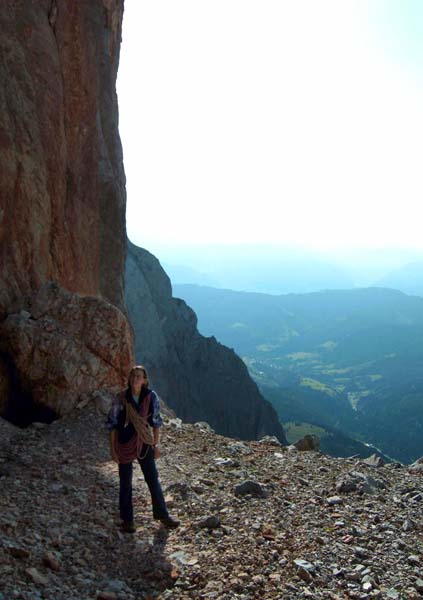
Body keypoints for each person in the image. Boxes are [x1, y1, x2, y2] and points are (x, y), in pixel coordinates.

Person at [107, 365, 179, 532]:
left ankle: (163, 515)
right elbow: (112, 425)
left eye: (139, 376)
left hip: (145, 443)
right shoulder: (121, 398)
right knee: (125, 483)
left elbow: (156, 422)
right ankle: (127, 520)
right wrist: (112, 449)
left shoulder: (150, 397)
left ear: (145, 380)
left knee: (152, 479)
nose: (135, 379)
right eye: (133, 376)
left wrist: (156, 444)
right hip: (124, 443)